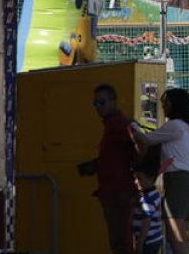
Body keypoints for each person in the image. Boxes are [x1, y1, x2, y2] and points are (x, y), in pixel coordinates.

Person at [130, 88, 189, 254]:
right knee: (181, 234)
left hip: (178, 182)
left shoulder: (175, 125)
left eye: (166, 103)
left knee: (175, 235)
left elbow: (146, 140)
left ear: (176, 104)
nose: (163, 106)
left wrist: (132, 125)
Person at [82, 83, 138, 254]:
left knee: (121, 240)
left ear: (114, 101)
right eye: (95, 103)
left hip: (119, 191)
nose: (98, 107)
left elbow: (138, 142)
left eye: (102, 102)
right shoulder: (111, 125)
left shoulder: (118, 123)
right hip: (111, 190)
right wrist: (98, 164)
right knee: (118, 240)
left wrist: (137, 167)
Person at [132, 148, 164, 254]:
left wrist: (139, 243)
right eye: (135, 178)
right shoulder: (154, 194)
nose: (136, 182)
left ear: (150, 178)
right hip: (155, 238)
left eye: (139, 178)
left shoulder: (147, 199)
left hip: (148, 241)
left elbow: (146, 221)